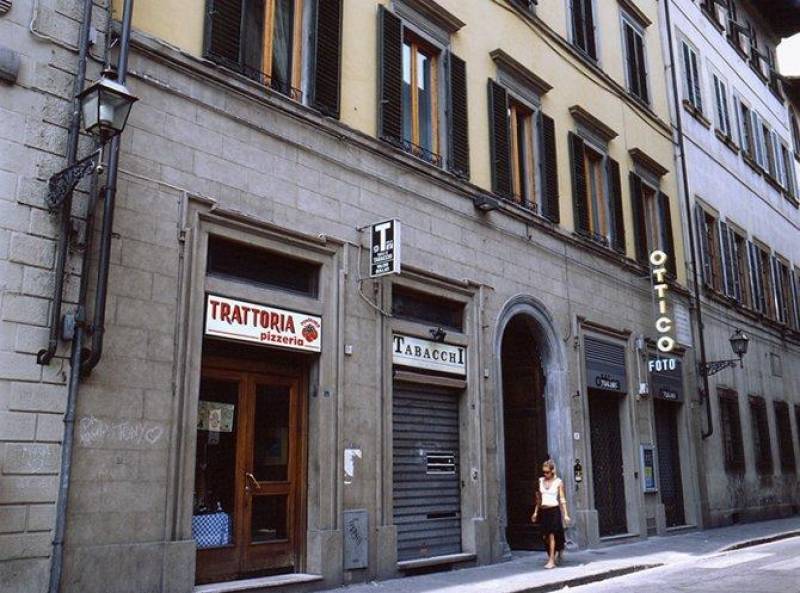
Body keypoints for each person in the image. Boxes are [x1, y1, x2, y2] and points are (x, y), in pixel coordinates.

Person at [531, 459, 570, 569]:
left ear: (552, 471)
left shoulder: (558, 482)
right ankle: (555, 552)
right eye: (544, 472)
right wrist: (535, 512)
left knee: (551, 535)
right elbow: (538, 499)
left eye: (547, 472)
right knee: (545, 536)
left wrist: (565, 514)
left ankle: (551, 560)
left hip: (554, 510)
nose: (545, 474)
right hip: (544, 511)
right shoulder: (540, 481)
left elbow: (562, 499)